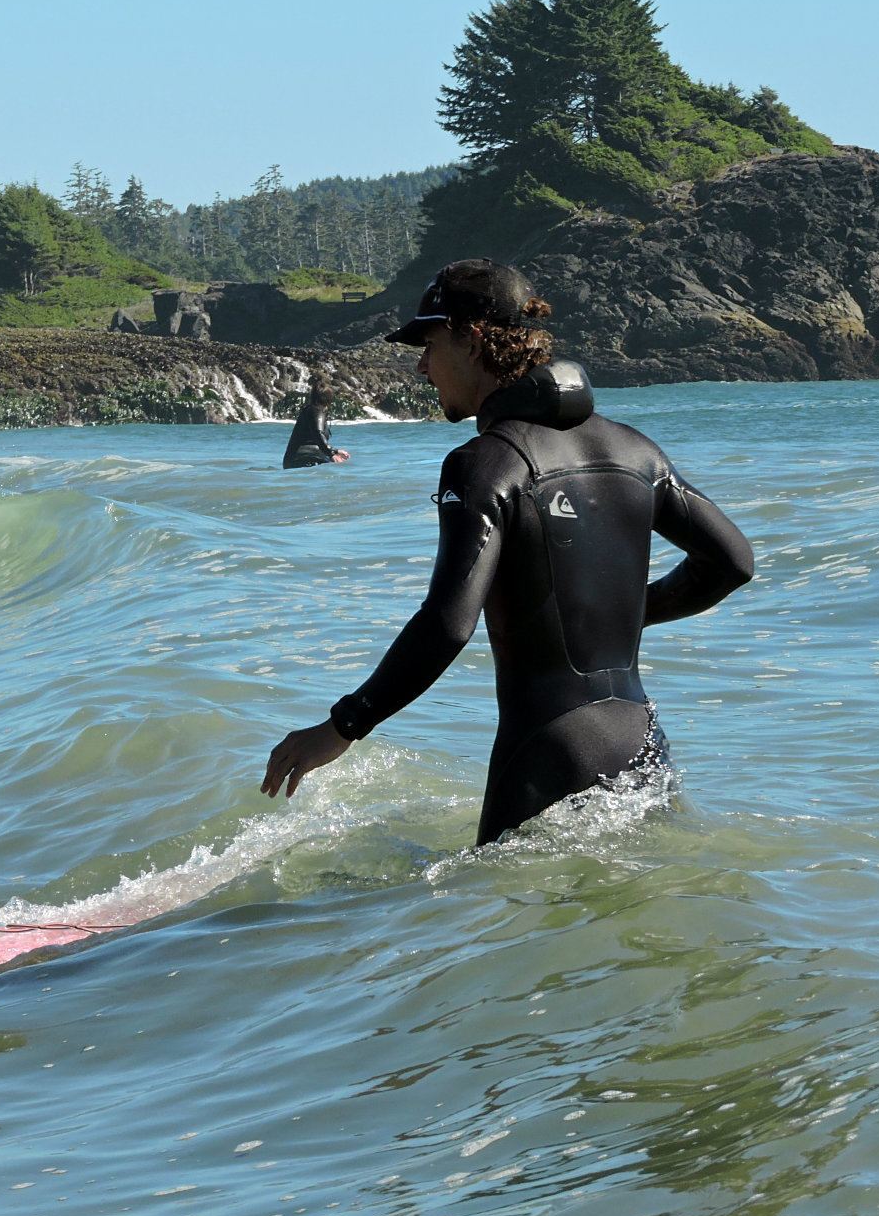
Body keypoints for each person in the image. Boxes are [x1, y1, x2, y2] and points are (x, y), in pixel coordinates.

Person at [261, 259, 754, 845]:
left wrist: (343, 725)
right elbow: (732, 562)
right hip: (641, 741)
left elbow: (447, 624)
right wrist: (616, 609)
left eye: (429, 342)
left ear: (471, 339)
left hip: (548, 751)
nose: (421, 364)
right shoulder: (636, 450)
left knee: (487, 917)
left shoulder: (485, 463)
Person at [281, 372, 352, 469]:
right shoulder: (317, 410)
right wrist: (332, 453)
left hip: (297, 460)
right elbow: (318, 433)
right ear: (329, 399)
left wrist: (334, 451)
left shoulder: (310, 410)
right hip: (304, 460)